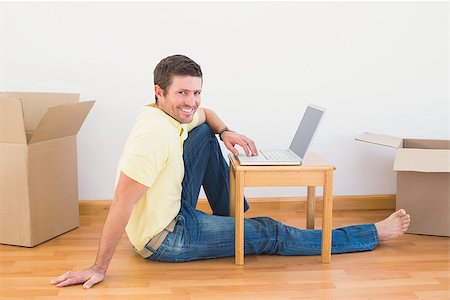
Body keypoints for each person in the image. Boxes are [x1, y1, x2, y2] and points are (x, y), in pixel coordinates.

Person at [51, 54, 411, 289]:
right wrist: (98, 267)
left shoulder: (162, 112)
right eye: (182, 94)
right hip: (167, 238)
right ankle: (371, 234)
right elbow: (120, 203)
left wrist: (226, 132)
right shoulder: (153, 137)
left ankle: (234, 223)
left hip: (171, 210)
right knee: (271, 231)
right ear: (159, 91)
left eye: (195, 92)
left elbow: (206, 115)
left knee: (206, 133)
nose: (190, 101)